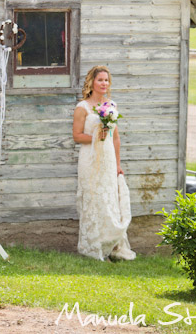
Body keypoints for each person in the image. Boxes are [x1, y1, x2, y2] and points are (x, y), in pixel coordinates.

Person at [72, 66, 136, 261]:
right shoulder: (82, 107)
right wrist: (94, 136)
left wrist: (117, 164)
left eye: (106, 80)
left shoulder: (112, 106)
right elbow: (76, 136)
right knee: (94, 199)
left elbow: (115, 138)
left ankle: (113, 246)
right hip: (90, 159)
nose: (104, 84)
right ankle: (94, 246)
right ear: (91, 82)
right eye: (100, 80)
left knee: (109, 200)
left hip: (108, 158)